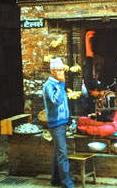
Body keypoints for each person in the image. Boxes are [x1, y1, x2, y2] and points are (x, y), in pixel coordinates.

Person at [42, 57, 75, 188]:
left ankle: (55, 179)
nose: (61, 72)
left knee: (58, 151)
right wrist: (61, 84)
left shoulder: (58, 83)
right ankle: (67, 183)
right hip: (55, 123)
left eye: (62, 70)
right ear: (52, 71)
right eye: (58, 70)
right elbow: (56, 101)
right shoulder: (49, 86)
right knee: (62, 152)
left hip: (62, 122)